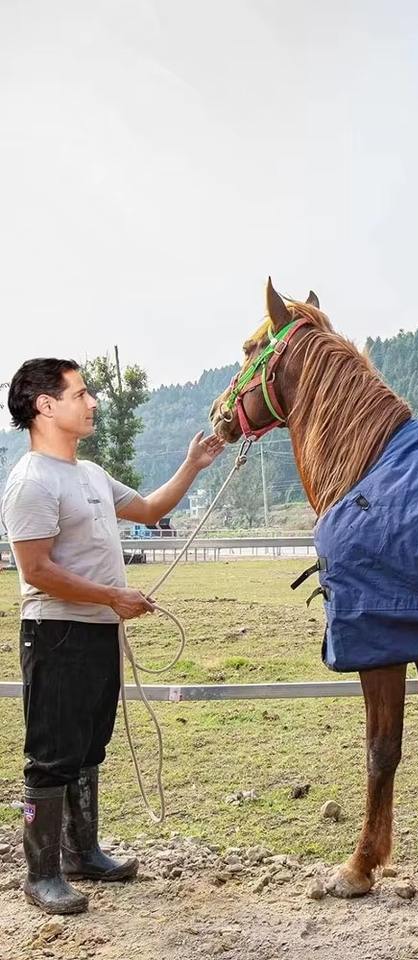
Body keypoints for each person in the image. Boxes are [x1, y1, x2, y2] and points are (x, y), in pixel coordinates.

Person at [0, 358, 224, 914]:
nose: (92, 402)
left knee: (88, 744)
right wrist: (111, 596)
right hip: (55, 632)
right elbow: (36, 570)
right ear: (45, 405)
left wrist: (193, 465)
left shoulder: (92, 474)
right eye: (80, 393)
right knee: (51, 753)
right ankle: (41, 873)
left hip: (98, 632)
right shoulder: (31, 481)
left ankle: (82, 853)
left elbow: (149, 509)